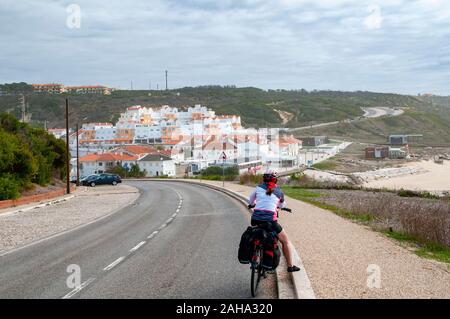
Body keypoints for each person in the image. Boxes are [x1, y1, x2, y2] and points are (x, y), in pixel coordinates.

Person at [248, 172, 300, 273]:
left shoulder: (258, 188)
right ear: (275, 180)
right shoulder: (279, 192)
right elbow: (281, 205)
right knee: (285, 241)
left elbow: (251, 200)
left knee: (257, 233)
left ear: (263, 180)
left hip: (255, 219)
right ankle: (290, 266)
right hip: (270, 221)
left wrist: (252, 205)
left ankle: (255, 254)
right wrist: (281, 207)